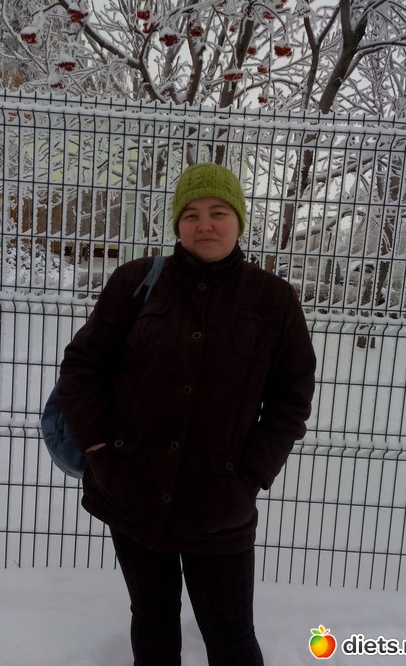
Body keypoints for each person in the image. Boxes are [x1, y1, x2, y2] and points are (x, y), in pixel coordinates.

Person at [57, 163, 316, 666]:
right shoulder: (137, 282)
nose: (205, 225)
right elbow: (82, 367)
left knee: (232, 638)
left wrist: (250, 475)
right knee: (153, 621)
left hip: (220, 505)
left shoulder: (273, 301)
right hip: (132, 491)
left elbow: (291, 398)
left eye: (218, 213)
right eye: (191, 214)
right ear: (177, 223)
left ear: (238, 220)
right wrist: (101, 450)